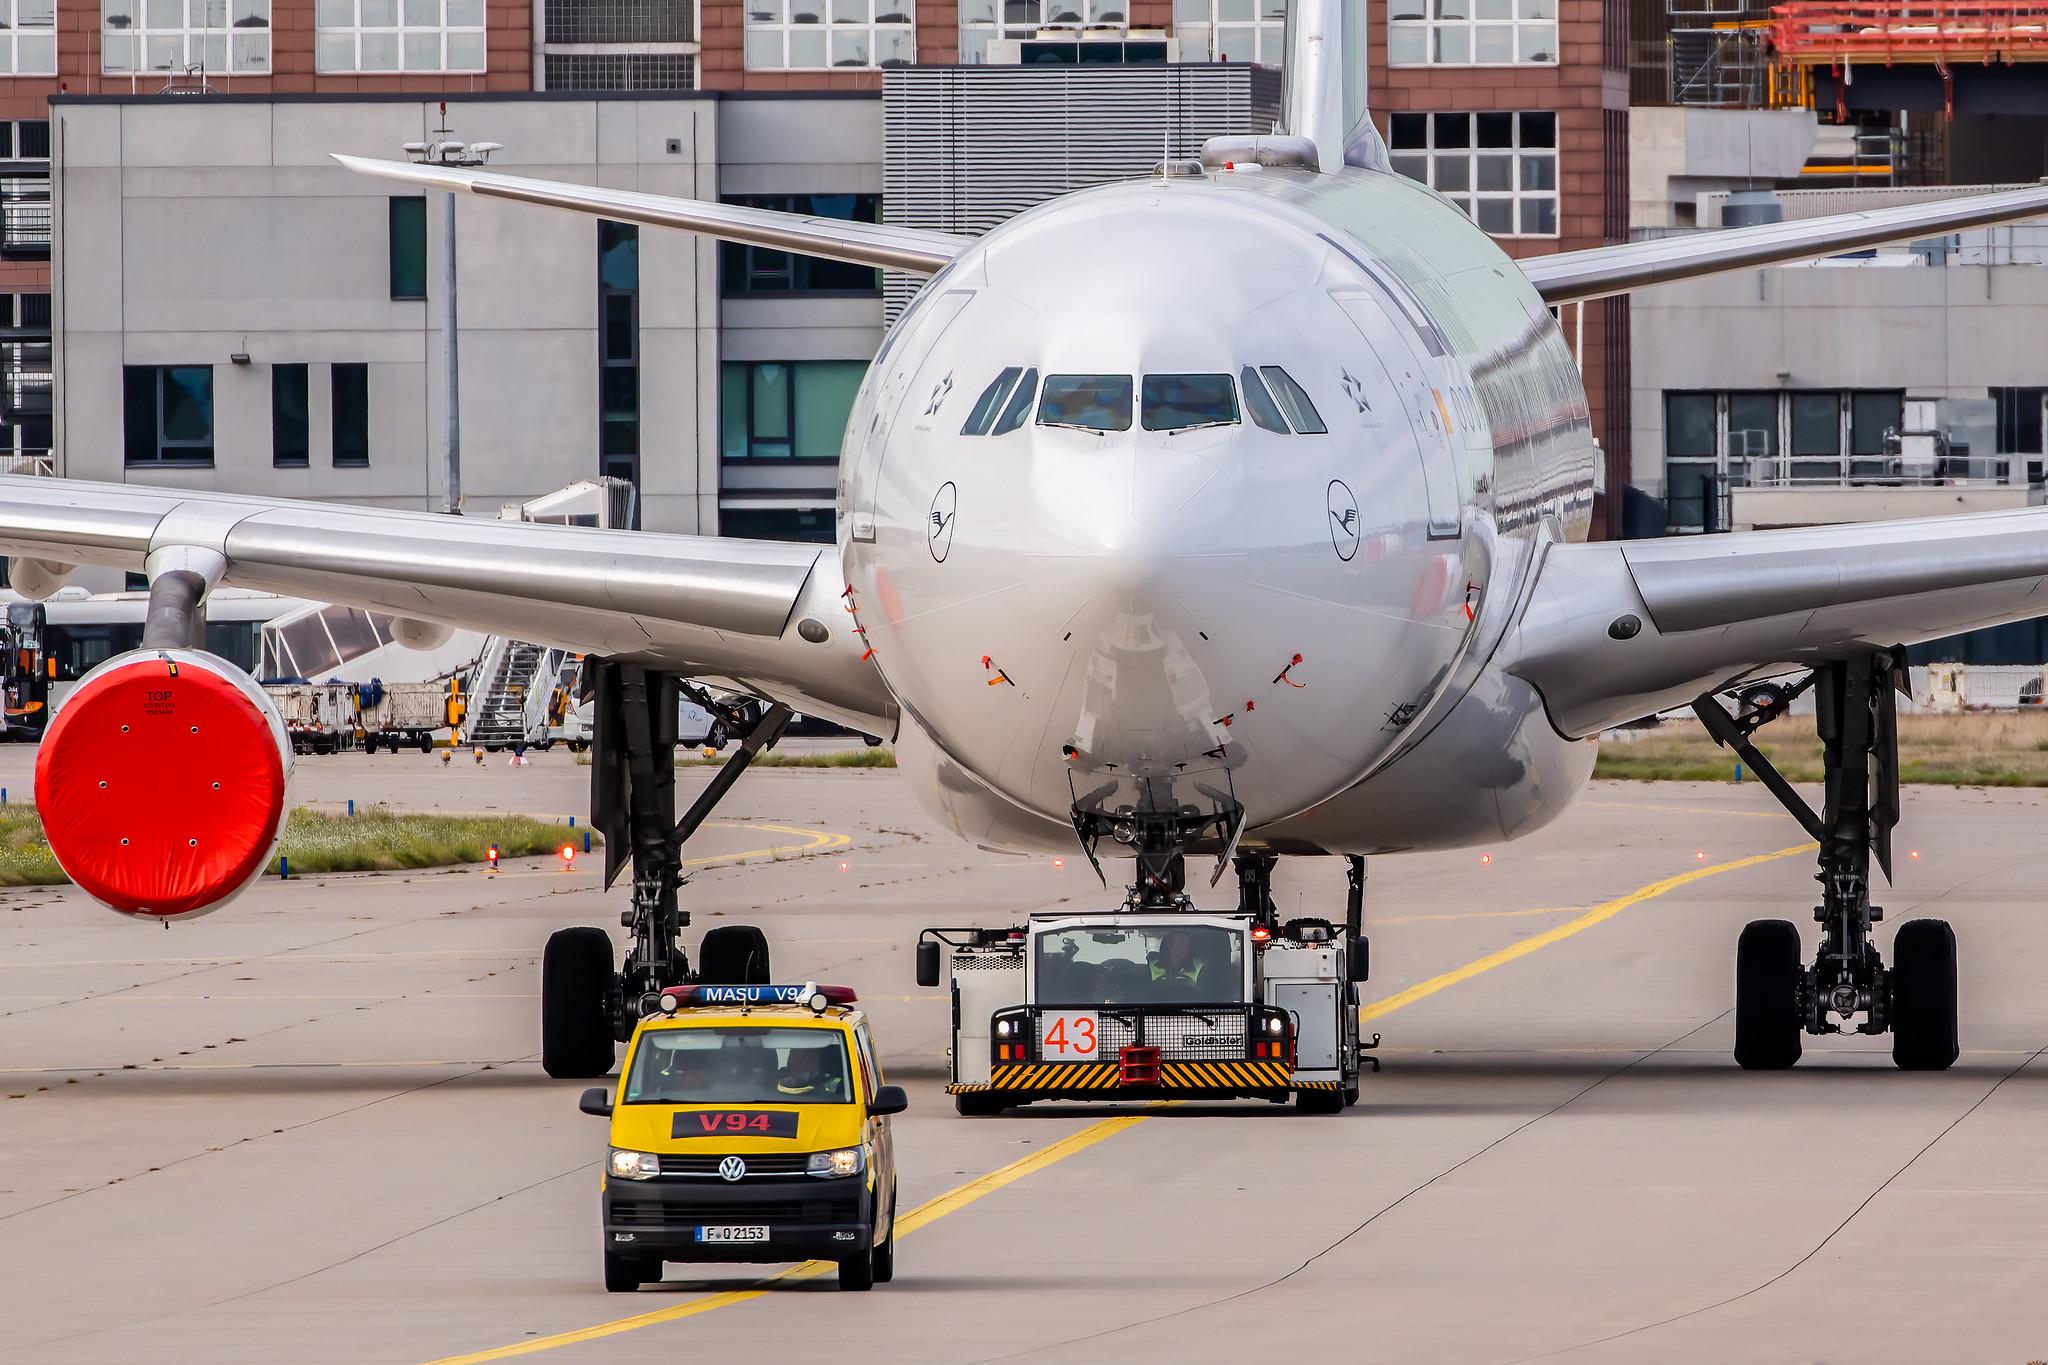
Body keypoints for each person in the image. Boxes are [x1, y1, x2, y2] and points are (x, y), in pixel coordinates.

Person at [1150, 929, 1208, 995]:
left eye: (1186, 944)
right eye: (1179, 944)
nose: (1183, 948)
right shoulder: (1152, 967)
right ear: (1170, 945)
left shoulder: (1200, 968)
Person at [777, 1046, 845, 1100]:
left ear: (821, 1061)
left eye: (809, 1056)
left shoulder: (835, 1088)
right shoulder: (773, 1084)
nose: (802, 1061)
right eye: (797, 1055)